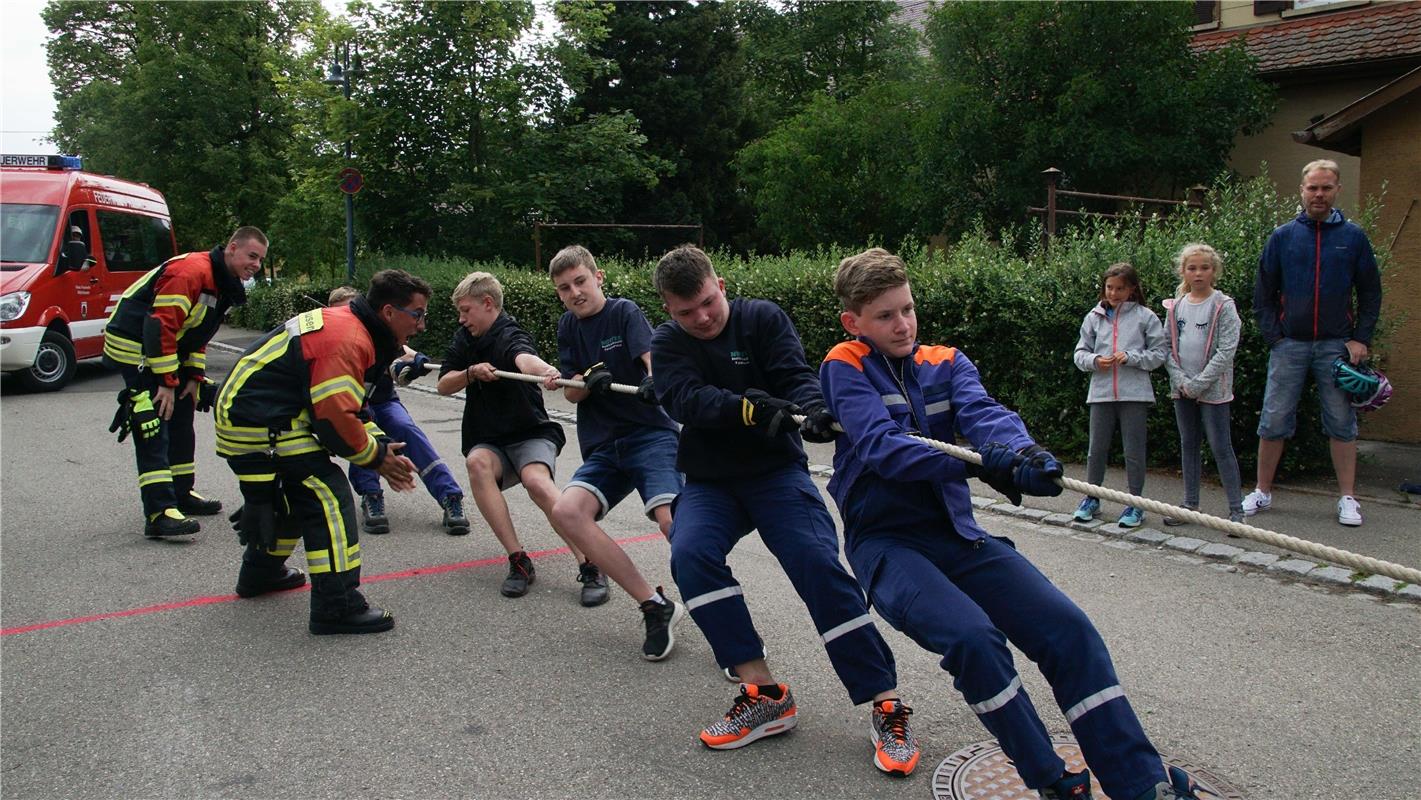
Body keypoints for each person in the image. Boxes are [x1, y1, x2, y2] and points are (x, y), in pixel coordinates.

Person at [820, 247, 1202, 800]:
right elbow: (885, 450)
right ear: (853, 322)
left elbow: (986, 415)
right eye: (885, 316)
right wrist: (976, 462)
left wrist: (1025, 456)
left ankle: (1142, 786)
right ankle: (1052, 781)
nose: (902, 324)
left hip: (958, 535)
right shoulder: (844, 364)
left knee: (1069, 631)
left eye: (908, 308)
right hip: (886, 547)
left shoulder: (946, 361)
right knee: (973, 639)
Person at [649, 244, 919, 776]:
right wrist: (744, 406)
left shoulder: (762, 317)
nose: (701, 318)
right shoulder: (667, 342)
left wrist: (816, 406)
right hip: (711, 481)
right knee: (690, 553)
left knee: (816, 564)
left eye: (707, 302)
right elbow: (682, 399)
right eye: (686, 312)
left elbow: (794, 375)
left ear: (720, 285)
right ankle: (764, 692)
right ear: (668, 311)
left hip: (777, 474)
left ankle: (884, 703)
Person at [214, 270, 423, 635]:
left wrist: (381, 446)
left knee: (298, 496)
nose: (421, 326)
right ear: (389, 312)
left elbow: (351, 408)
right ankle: (336, 606)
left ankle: (260, 575)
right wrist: (377, 458)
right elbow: (333, 419)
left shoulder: (352, 328)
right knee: (327, 494)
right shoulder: (348, 337)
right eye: (418, 314)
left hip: (260, 415)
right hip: (265, 421)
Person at [544, 245, 686, 660]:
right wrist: (586, 379)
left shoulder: (624, 312)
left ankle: (728, 629)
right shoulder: (568, 327)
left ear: (598, 276)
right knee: (567, 512)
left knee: (671, 522)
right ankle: (655, 607)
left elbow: (652, 362)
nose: (574, 292)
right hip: (604, 445)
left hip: (650, 435)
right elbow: (571, 393)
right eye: (564, 288)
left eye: (580, 281)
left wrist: (653, 384)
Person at [435, 272, 593, 603]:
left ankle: (590, 562)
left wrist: (547, 372)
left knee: (536, 481)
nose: (462, 319)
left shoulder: (510, 333)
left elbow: (524, 358)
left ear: (488, 304)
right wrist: (470, 372)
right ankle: (518, 561)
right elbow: (443, 383)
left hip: (529, 432)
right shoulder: (465, 338)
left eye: (466, 310)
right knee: (476, 462)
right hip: (490, 439)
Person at [102, 226, 266, 538]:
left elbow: (197, 333)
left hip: (166, 349)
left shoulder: (222, 281)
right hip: (136, 347)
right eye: (252, 256)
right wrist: (165, 381)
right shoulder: (192, 271)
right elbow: (159, 324)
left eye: (260, 260)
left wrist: (192, 377)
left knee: (181, 418)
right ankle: (159, 513)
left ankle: (181, 494)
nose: (256, 265)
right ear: (232, 247)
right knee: (152, 422)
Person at [1247, 159, 1383, 527]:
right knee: (1274, 419)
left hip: (1337, 345)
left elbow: (1371, 292)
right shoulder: (1283, 236)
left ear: (1337, 190)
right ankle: (1262, 491)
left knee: (1341, 422)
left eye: (1326, 187)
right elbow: (1263, 292)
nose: (1318, 194)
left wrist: (1360, 338)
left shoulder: (1353, 238)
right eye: (1312, 188)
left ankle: (1348, 499)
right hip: (1289, 343)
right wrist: (1274, 337)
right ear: (1302, 190)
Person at [326, 286, 469, 537]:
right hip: (354, 406)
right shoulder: (335, 344)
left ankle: (450, 496)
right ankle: (371, 495)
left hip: (383, 401)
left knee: (406, 430)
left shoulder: (378, 335)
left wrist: (417, 363)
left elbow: (403, 357)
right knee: (362, 432)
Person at [1070, 262, 1166, 528]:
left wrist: (1131, 358)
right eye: (1109, 287)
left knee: (1134, 451)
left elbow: (1159, 354)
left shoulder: (1146, 316)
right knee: (1096, 450)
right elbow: (1079, 353)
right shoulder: (1093, 317)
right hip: (1101, 394)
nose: (1113, 293)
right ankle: (1092, 498)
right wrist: (1094, 360)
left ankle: (1136, 503)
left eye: (1120, 288)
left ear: (1132, 289)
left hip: (1134, 394)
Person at [1160, 244, 1244, 527]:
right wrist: (1182, 381)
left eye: (1204, 268)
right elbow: (1167, 346)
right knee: (1189, 444)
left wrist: (1199, 383)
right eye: (1192, 268)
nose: (1198, 273)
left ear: (1214, 271)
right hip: (1182, 388)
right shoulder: (1177, 304)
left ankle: (1236, 510)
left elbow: (1226, 350)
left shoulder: (1223, 306)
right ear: (1183, 271)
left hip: (1213, 389)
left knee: (1221, 445)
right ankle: (1190, 504)